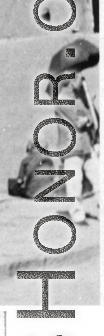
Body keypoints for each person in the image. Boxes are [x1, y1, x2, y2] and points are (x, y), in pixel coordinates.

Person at [53, 75, 99, 224]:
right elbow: (78, 120)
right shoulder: (61, 98)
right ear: (71, 80)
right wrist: (86, 118)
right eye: (79, 77)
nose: (83, 79)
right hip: (71, 147)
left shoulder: (81, 96)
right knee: (74, 183)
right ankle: (78, 214)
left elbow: (93, 118)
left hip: (86, 145)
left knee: (98, 178)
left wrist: (89, 115)